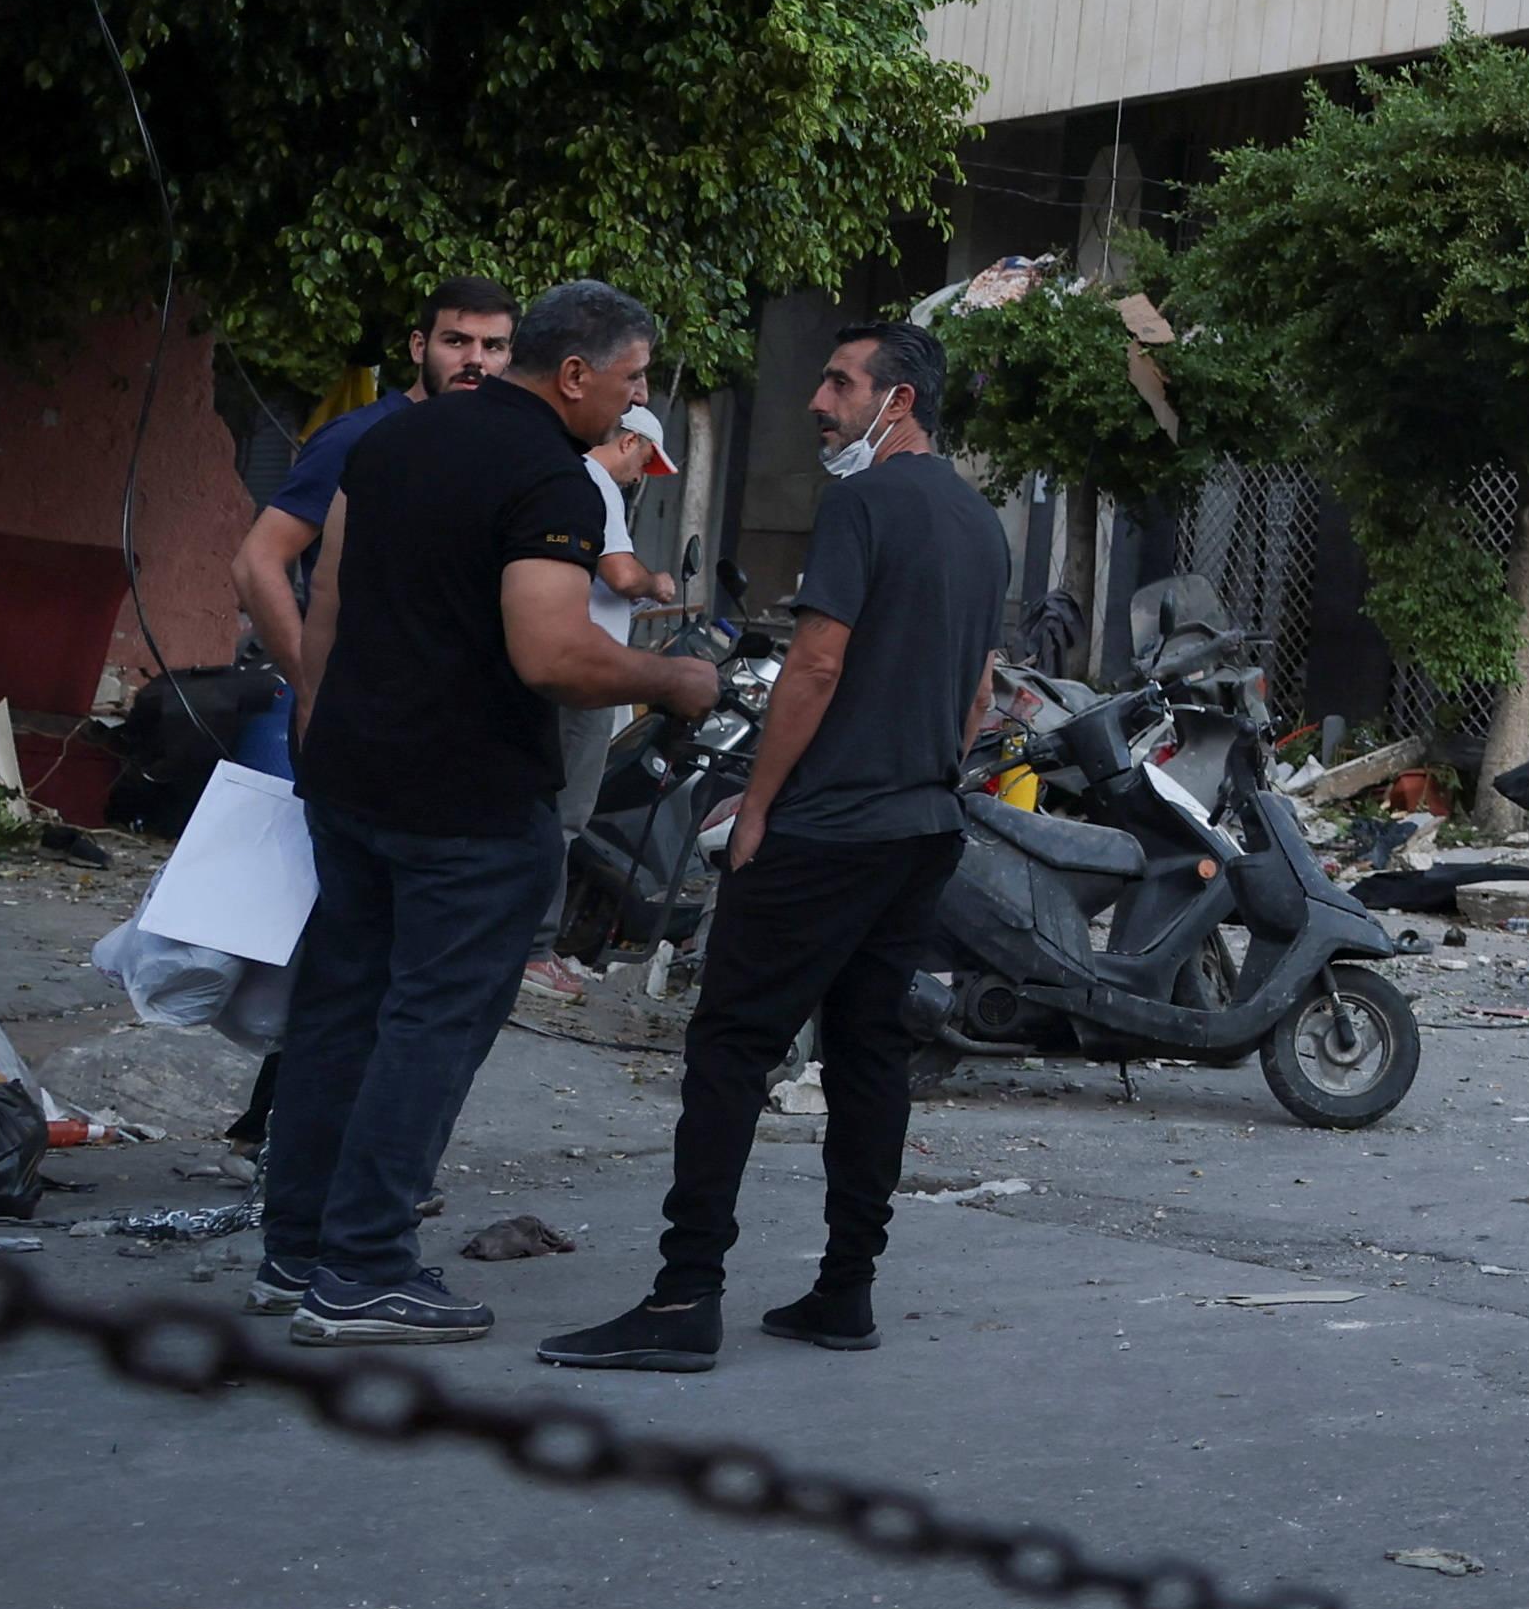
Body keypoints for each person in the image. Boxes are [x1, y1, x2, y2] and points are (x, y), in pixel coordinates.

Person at [542, 322, 1006, 1373]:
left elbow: (814, 667)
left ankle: (683, 1295)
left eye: (840, 382)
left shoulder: (862, 503)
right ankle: (846, 1290)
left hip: (828, 827)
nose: (817, 400)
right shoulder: (979, 523)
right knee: (868, 1051)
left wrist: (757, 808)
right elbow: (978, 691)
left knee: (729, 1049)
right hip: (922, 826)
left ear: (899, 400)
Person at [262, 281, 717, 1346]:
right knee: (427, 1022)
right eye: (632, 376)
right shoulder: (542, 472)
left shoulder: (389, 442)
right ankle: (366, 1264)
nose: (635, 397)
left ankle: (296, 1252)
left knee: (339, 1011)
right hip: (464, 801)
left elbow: (324, 610)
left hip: (353, 778)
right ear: (573, 374)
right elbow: (551, 653)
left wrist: (324, 743)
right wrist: (671, 680)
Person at [227, 275, 520, 781]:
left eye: (493, 346)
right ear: (418, 345)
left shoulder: (495, 450)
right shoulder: (359, 436)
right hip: (354, 717)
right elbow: (257, 562)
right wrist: (311, 687)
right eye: (457, 341)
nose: (476, 360)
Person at [535, 401, 691, 982]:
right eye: (642, 463)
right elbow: (622, 575)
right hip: (586, 676)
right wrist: (658, 582)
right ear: (628, 442)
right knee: (566, 815)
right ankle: (534, 951)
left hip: (555, 663)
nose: (637, 477)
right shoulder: (599, 484)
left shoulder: (566, 475)